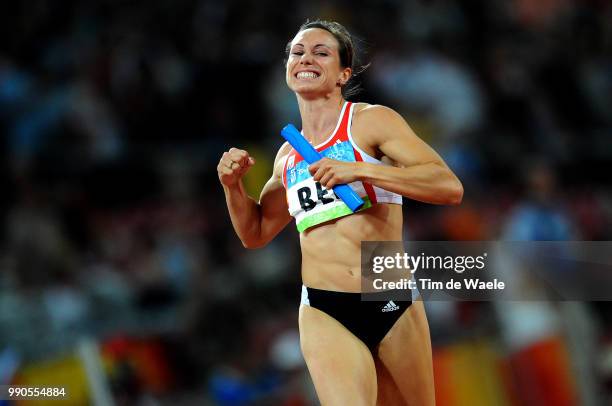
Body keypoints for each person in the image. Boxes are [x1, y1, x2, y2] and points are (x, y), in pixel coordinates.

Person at [217, 19, 463, 406]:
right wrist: (233, 188)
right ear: (286, 69)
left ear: (343, 73)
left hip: (390, 299)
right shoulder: (287, 157)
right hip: (324, 308)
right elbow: (255, 234)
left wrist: (362, 169)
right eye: (297, 52)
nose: (305, 58)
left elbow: (448, 187)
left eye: (320, 52)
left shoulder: (371, 121)